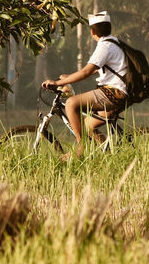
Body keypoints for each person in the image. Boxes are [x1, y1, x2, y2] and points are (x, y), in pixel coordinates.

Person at [41, 12, 128, 158]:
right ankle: (107, 156)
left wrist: (57, 82)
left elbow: (86, 72)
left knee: (70, 103)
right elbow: (99, 68)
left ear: (92, 31)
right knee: (85, 126)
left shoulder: (104, 46)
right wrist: (69, 77)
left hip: (113, 93)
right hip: (119, 93)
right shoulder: (114, 42)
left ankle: (81, 148)